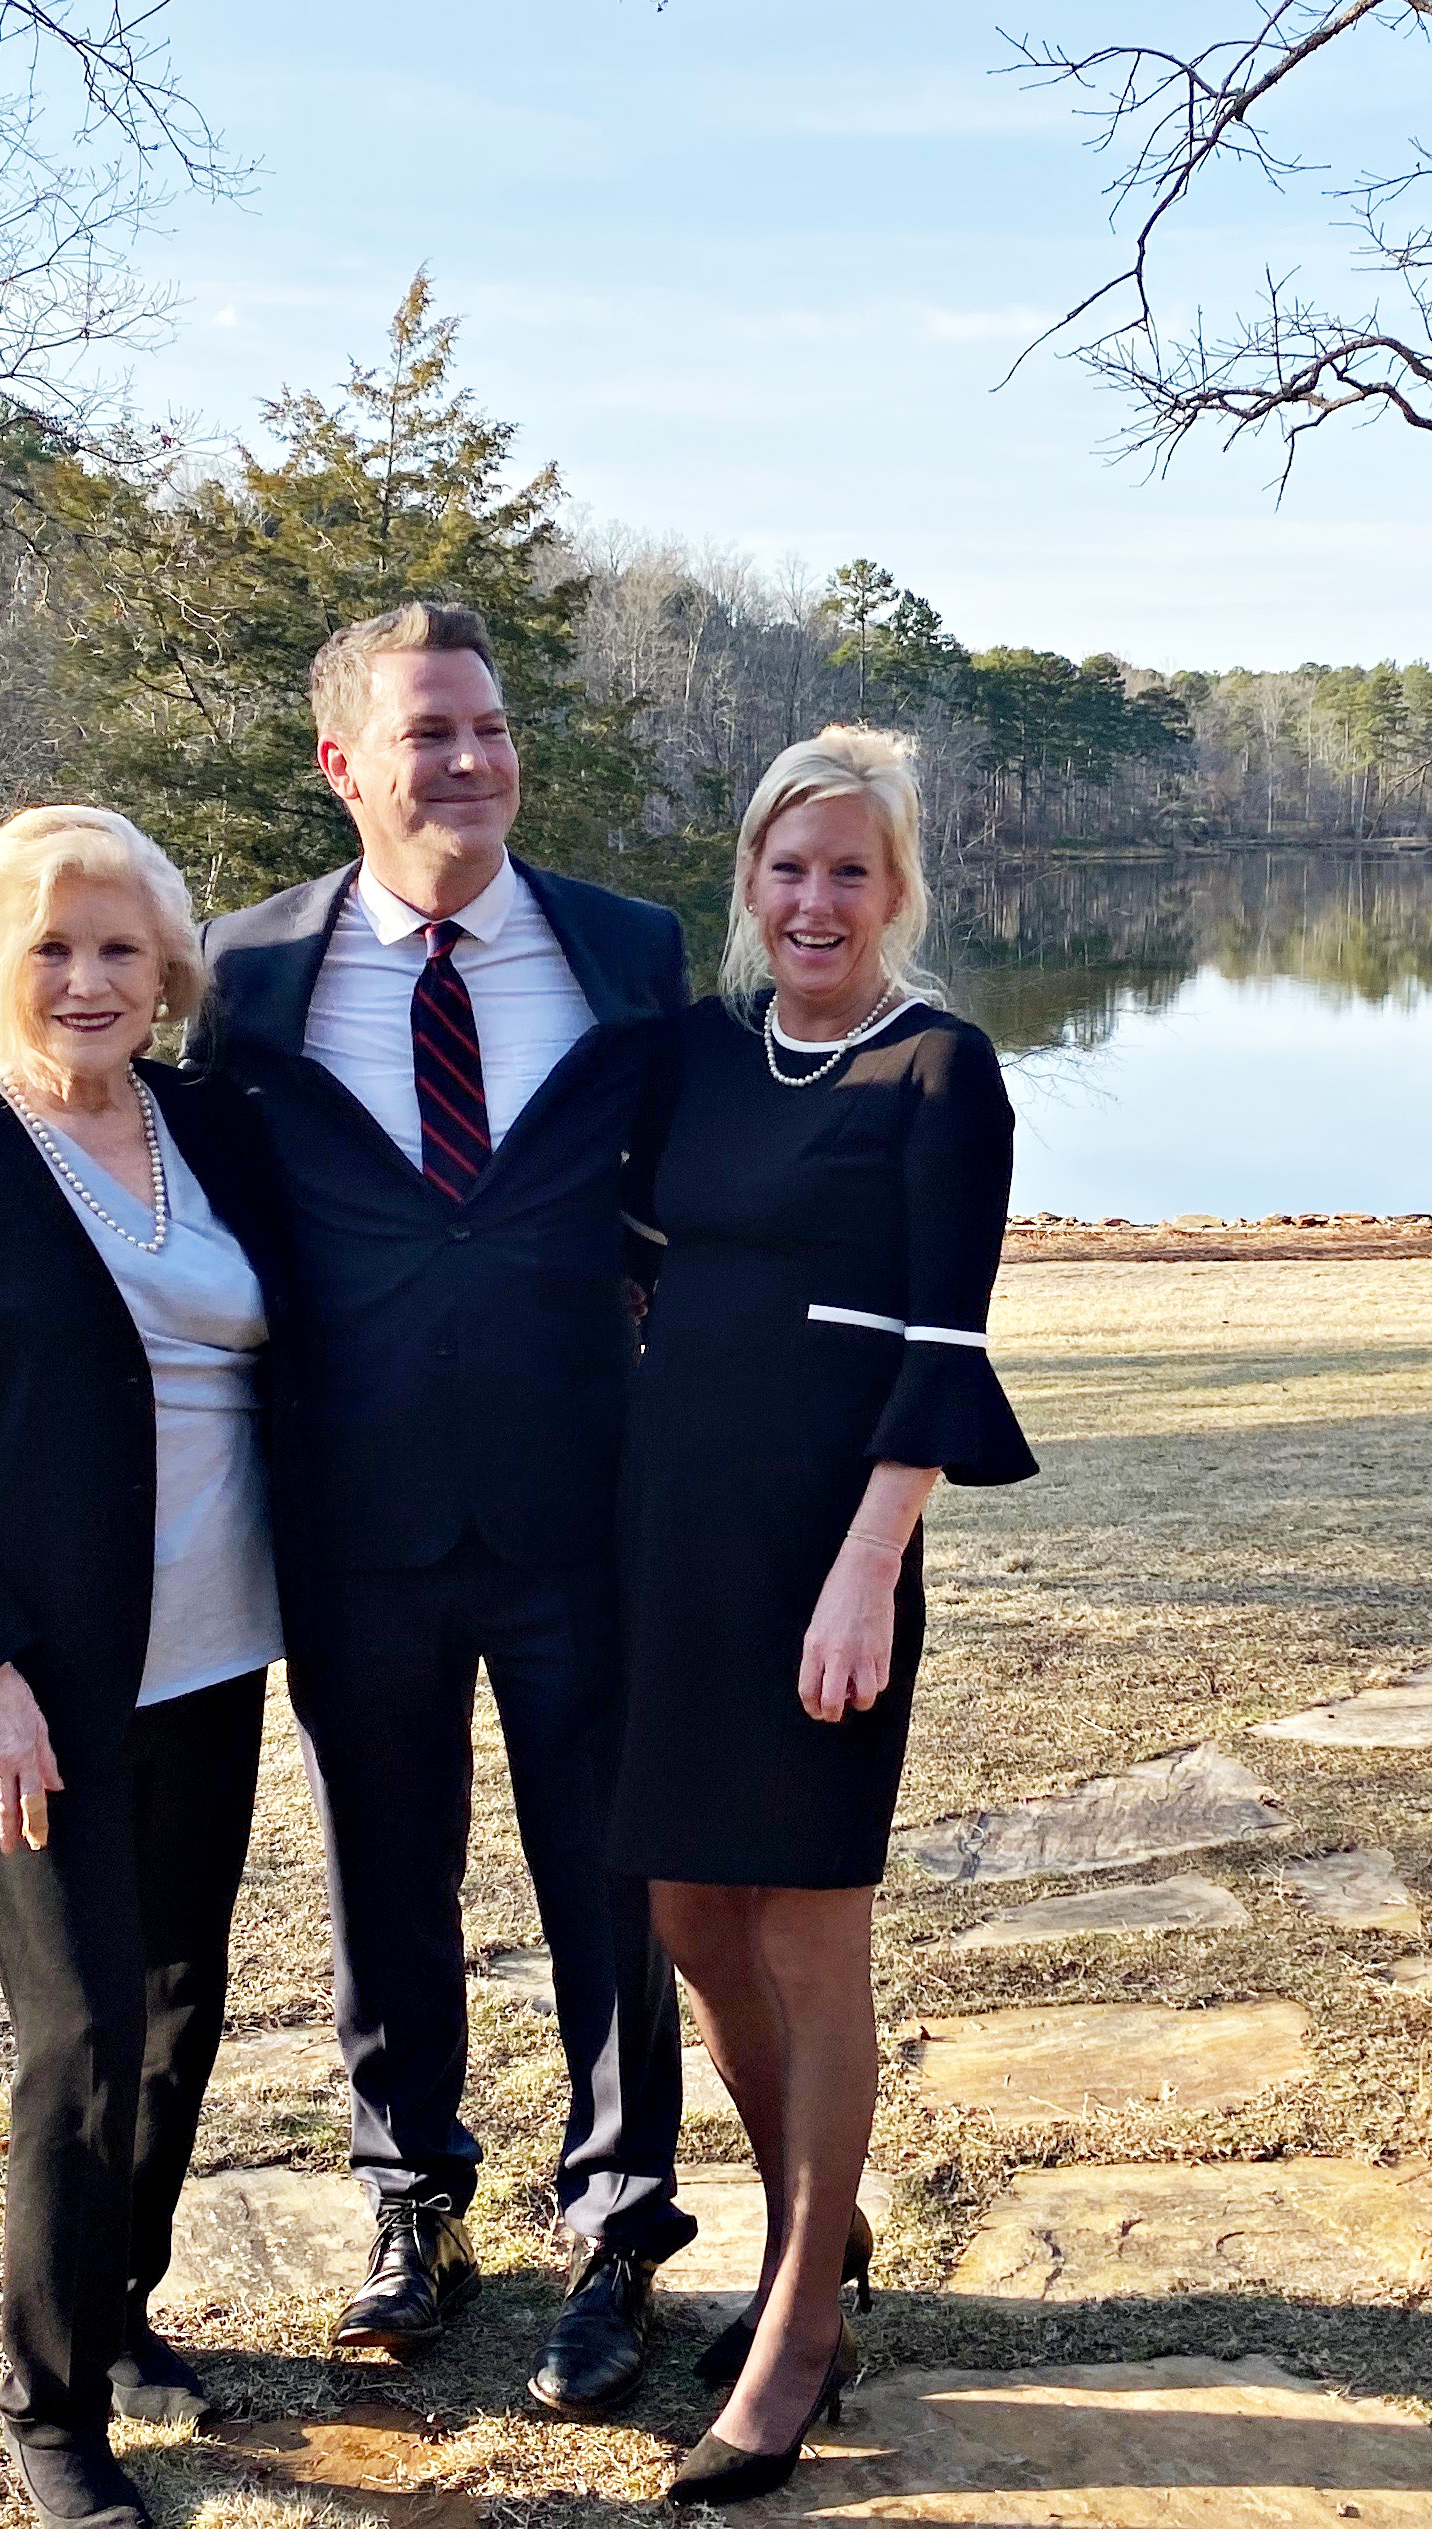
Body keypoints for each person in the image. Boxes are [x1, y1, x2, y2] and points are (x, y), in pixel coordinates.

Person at [187, 600, 695, 2417]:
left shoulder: (628, 950)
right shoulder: (239, 976)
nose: (468, 759)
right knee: (381, 1877)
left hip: (582, 1503)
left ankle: (621, 2222)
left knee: (608, 1881)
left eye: (486, 726)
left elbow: (678, 1186)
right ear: (344, 762)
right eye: (426, 733)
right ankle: (415, 2202)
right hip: (351, 1511)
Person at [0, 807, 289, 2529]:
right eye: (50, 949)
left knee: (181, 2007)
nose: (88, 980)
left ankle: (120, 2305)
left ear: (165, 965)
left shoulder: (213, 1130)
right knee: (81, 2035)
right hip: (34, 1683)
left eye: (117, 947)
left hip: (217, 1644)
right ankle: (45, 2404)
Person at [610, 728, 1038, 2504]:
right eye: (788, 868)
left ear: (897, 887)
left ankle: (795, 2329)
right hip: (664, 1532)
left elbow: (946, 1342)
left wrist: (867, 1567)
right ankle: (823, 2207)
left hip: (823, 1547)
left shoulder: (943, 1069)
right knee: (688, 1902)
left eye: (849, 872)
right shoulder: (690, 1054)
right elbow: (625, 1249)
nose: (813, 901)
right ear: (749, 878)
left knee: (805, 1916)